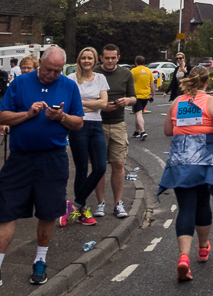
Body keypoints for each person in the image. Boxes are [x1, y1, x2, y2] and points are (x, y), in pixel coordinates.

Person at [0, 46, 84, 295]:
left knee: (48, 211)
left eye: (57, 71)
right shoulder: (20, 83)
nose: (52, 75)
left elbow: (78, 122)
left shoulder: (69, 86)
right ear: (40, 64)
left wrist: (61, 117)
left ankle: (40, 260)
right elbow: (0, 117)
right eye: (48, 69)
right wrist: (28, 113)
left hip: (53, 158)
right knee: (7, 211)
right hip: (20, 158)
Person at [160, 66, 213, 281]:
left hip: (180, 160)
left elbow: (167, 131)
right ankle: (202, 248)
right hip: (204, 159)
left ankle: (183, 257)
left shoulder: (177, 102)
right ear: (207, 81)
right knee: (203, 203)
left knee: (186, 207)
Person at [61, 47, 109, 228]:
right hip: (77, 125)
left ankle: (75, 204)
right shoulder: (71, 79)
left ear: (95, 61)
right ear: (79, 60)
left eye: (90, 58)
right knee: (81, 169)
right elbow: (69, 105)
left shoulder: (101, 78)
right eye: (84, 58)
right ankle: (83, 211)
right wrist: (92, 105)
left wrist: (81, 105)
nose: (87, 61)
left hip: (96, 125)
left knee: (100, 168)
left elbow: (103, 103)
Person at [94, 44, 136, 219]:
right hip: (98, 123)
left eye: (113, 58)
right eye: (106, 57)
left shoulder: (126, 74)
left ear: (118, 57)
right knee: (100, 166)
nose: (110, 61)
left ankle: (118, 203)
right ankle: (100, 203)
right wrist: (102, 106)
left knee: (118, 164)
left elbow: (134, 98)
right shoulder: (95, 73)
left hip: (118, 124)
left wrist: (126, 100)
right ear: (101, 58)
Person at [130, 56, 155, 140]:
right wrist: (153, 95)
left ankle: (143, 131)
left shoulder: (133, 71)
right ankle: (136, 131)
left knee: (138, 113)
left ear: (135, 62)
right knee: (138, 112)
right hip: (145, 96)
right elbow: (152, 84)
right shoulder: (148, 71)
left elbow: (129, 83)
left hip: (136, 95)